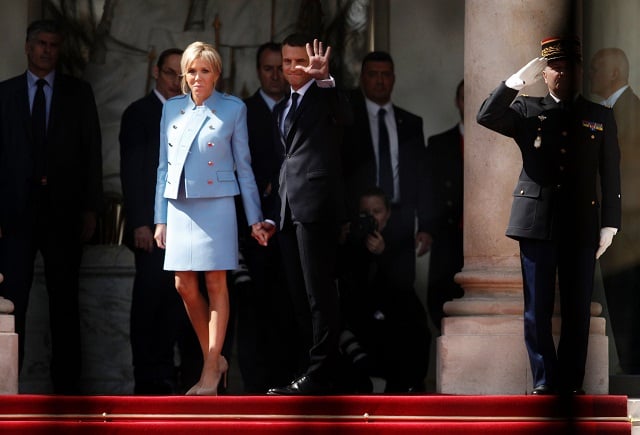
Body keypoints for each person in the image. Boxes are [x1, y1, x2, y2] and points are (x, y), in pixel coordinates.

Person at [477, 36, 621, 395]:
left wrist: (611, 223)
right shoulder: (527, 108)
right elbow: (486, 115)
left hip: (582, 223)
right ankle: (545, 379)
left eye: (569, 66)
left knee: (576, 310)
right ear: (544, 73)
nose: (562, 73)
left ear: (580, 70)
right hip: (537, 220)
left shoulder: (599, 115)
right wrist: (515, 83)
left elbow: (611, 171)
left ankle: (571, 382)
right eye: (554, 66)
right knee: (537, 308)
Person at [153, 41, 268, 396]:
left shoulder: (233, 109)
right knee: (184, 286)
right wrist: (160, 218)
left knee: (216, 284)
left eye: (204, 70)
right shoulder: (171, 109)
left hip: (217, 204)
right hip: (180, 205)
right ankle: (214, 359)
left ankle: (209, 370)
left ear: (216, 73)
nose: (197, 77)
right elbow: (163, 167)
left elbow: (245, 168)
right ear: (183, 76)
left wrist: (254, 219)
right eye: (191, 71)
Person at [0, 19, 103, 394]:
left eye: (53, 45)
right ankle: (9, 385)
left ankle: (66, 388)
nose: (46, 50)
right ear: (28, 47)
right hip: (14, 214)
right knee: (13, 301)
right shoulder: (5, 94)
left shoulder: (78, 93)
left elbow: (93, 152)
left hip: (64, 213)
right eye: (40, 43)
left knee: (65, 302)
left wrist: (91, 208)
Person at [264, 34, 353, 395]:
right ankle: (314, 371)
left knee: (320, 295)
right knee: (299, 297)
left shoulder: (324, 97)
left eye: (299, 61)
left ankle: (321, 373)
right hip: (288, 210)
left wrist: (325, 80)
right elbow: (285, 163)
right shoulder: (280, 107)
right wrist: (273, 214)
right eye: (287, 62)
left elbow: (346, 116)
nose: (293, 68)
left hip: (316, 208)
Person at [120, 47, 202, 394]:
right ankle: (148, 378)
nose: (175, 80)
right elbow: (133, 172)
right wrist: (140, 221)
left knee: (178, 304)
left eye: (180, 74)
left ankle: (173, 376)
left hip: (186, 227)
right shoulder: (139, 113)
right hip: (151, 230)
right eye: (169, 73)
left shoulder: (191, 111)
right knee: (150, 302)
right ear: (156, 72)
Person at [234, 41, 298, 392]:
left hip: (292, 223)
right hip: (254, 227)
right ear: (258, 71)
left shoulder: (299, 105)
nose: (275, 75)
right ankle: (256, 388)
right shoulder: (242, 111)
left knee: (289, 308)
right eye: (268, 68)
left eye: (281, 68)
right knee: (254, 310)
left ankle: (289, 383)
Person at [342, 51, 430, 296]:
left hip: (401, 218)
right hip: (359, 219)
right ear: (362, 79)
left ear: (393, 79)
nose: (379, 81)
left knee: (400, 291)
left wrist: (425, 225)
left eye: (385, 75)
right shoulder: (347, 121)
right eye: (373, 75)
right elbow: (339, 171)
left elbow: (422, 176)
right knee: (359, 289)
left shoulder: (411, 123)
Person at [338, 186, 431, 392]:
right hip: (364, 316)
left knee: (412, 326)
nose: (372, 218)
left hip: (395, 314)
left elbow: (405, 283)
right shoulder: (353, 239)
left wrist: (383, 253)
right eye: (365, 213)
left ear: (387, 213)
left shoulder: (401, 236)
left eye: (377, 212)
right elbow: (347, 287)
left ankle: (407, 385)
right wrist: (344, 242)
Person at [589, 47, 640, 375]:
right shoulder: (612, 110)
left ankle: (635, 369)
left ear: (614, 74)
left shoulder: (629, 111)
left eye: (596, 69)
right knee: (621, 302)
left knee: (628, 301)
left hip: (629, 230)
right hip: (619, 228)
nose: (590, 74)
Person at [424, 80, 465, 332]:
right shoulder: (438, 143)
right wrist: (427, 228)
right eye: (463, 97)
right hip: (447, 234)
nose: (468, 103)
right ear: (456, 101)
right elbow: (428, 190)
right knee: (440, 298)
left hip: (483, 238)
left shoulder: (498, 144)